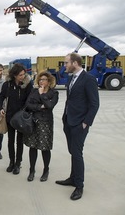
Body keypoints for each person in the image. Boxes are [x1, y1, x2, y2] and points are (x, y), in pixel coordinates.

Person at [56, 53, 99, 200]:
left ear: (75, 63)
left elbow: (94, 104)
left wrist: (86, 122)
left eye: (66, 63)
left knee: (77, 153)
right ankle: (73, 178)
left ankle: (79, 186)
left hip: (80, 123)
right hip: (69, 120)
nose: (65, 65)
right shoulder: (71, 78)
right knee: (72, 152)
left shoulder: (89, 79)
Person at [23, 71, 59, 182]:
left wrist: (43, 94)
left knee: (45, 148)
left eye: (44, 79)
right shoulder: (34, 91)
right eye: (40, 79)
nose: (41, 81)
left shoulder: (54, 93)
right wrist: (40, 106)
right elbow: (28, 105)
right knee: (32, 147)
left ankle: (45, 170)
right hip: (34, 121)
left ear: (49, 82)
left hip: (46, 123)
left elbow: (50, 106)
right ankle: (32, 170)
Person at [0, 63, 32, 175]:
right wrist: (0, 109)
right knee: (10, 141)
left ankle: (18, 163)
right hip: (10, 117)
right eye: (20, 75)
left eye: (23, 74)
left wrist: (23, 110)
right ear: (14, 75)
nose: (23, 76)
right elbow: (1, 97)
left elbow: (29, 100)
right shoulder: (7, 85)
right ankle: (11, 162)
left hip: (21, 117)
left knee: (19, 141)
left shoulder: (27, 85)